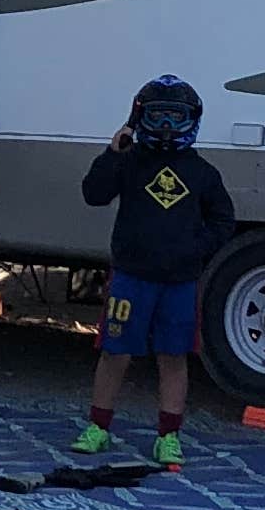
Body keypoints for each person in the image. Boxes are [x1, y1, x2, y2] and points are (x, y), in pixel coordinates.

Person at [71, 72, 237, 471]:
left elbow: (223, 222)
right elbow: (93, 195)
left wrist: (192, 251)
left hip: (179, 283)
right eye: (157, 116)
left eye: (174, 117)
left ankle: (169, 436)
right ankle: (98, 426)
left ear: (191, 120)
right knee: (115, 353)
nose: (165, 127)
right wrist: (114, 151)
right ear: (139, 116)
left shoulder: (203, 173)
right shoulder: (129, 162)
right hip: (131, 277)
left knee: (173, 356)